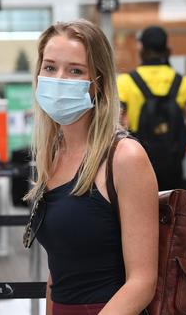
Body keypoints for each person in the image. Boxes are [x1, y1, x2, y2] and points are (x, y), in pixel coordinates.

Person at [23, 19, 158, 314]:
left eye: (75, 70)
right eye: (50, 67)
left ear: (97, 83)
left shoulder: (124, 158)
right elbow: (58, 271)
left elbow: (142, 281)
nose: (59, 79)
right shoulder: (53, 154)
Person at [117, 25, 186, 190]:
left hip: (138, 160)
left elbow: (118, 123)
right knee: (172, 209)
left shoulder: (126, 82)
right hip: (173, 164)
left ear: (141, 47)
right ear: (167, 48)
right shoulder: (181, 82)